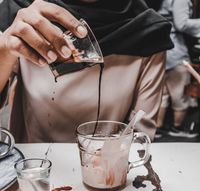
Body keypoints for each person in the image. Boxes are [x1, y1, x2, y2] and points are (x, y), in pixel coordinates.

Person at [0, 0, 173, 143]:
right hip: (35, 170)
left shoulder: (149, 32)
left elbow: (140, 137)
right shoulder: (22, 15)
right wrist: (5, 50)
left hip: (109, 171)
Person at [156, 0, 200, 138]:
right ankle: (177, 128)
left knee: (162, 93)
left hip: (161, 49)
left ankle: (158, 128)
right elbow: (182, 23)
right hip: (175, 51)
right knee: (180, 92)